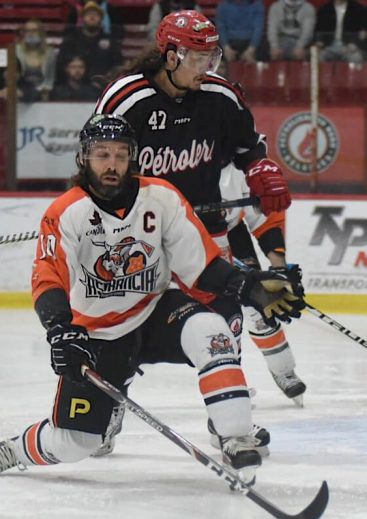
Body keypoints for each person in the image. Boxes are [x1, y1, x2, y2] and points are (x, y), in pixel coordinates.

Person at [0, 114, 304, 483]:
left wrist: (248, 286)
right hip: (98, 331)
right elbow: (49, 278)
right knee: (75, 442)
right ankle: (12, 450)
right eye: (101, 154)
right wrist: (62, 330)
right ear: (84, 158)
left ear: (133, 158)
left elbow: (201, 265)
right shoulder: (66, 212)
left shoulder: (160, 197)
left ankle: (236, 439)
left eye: (120, 154)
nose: (112, 164)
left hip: (155, 310)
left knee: (213, 330)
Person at [92, 10, 294, 453]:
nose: (208, 67)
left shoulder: (221, 97)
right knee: (122, 326)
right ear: (169, 55)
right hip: (138, 236)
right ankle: (107, 413)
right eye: (196, 57)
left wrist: (259, 169)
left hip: (205, 233)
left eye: (212, 56)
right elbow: (98, 160)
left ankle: (227, 420)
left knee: (227, 322)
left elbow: (248, 147)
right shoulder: (127, 99)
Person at [220, 164, 308, 404]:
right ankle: (230, 381)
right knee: (219, 316)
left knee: (261, 306)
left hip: (232, 235)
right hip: (189, 240)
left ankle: (284, 370)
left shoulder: (238, 167)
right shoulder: (177, 158)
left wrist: (279, 268)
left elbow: (263, 220)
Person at [57, 2, 122, 83]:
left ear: (101, 19)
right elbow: (61, 63)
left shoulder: (111, 41)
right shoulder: (71, 40)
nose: (92, 17)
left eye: (95, 14)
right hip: (75, 86)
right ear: (83, 18)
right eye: (88, 14)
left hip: (102, 85)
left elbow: (118, 64)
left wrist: (106, 79)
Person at [15, 19, 57, 102]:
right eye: (27, 31)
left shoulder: (49, 53)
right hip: (21, 93)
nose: (30, 33)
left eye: (34, 30)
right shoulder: (16, 51)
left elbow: (51, 78)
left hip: (44, 94)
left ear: (41, 33)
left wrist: (44, 89)